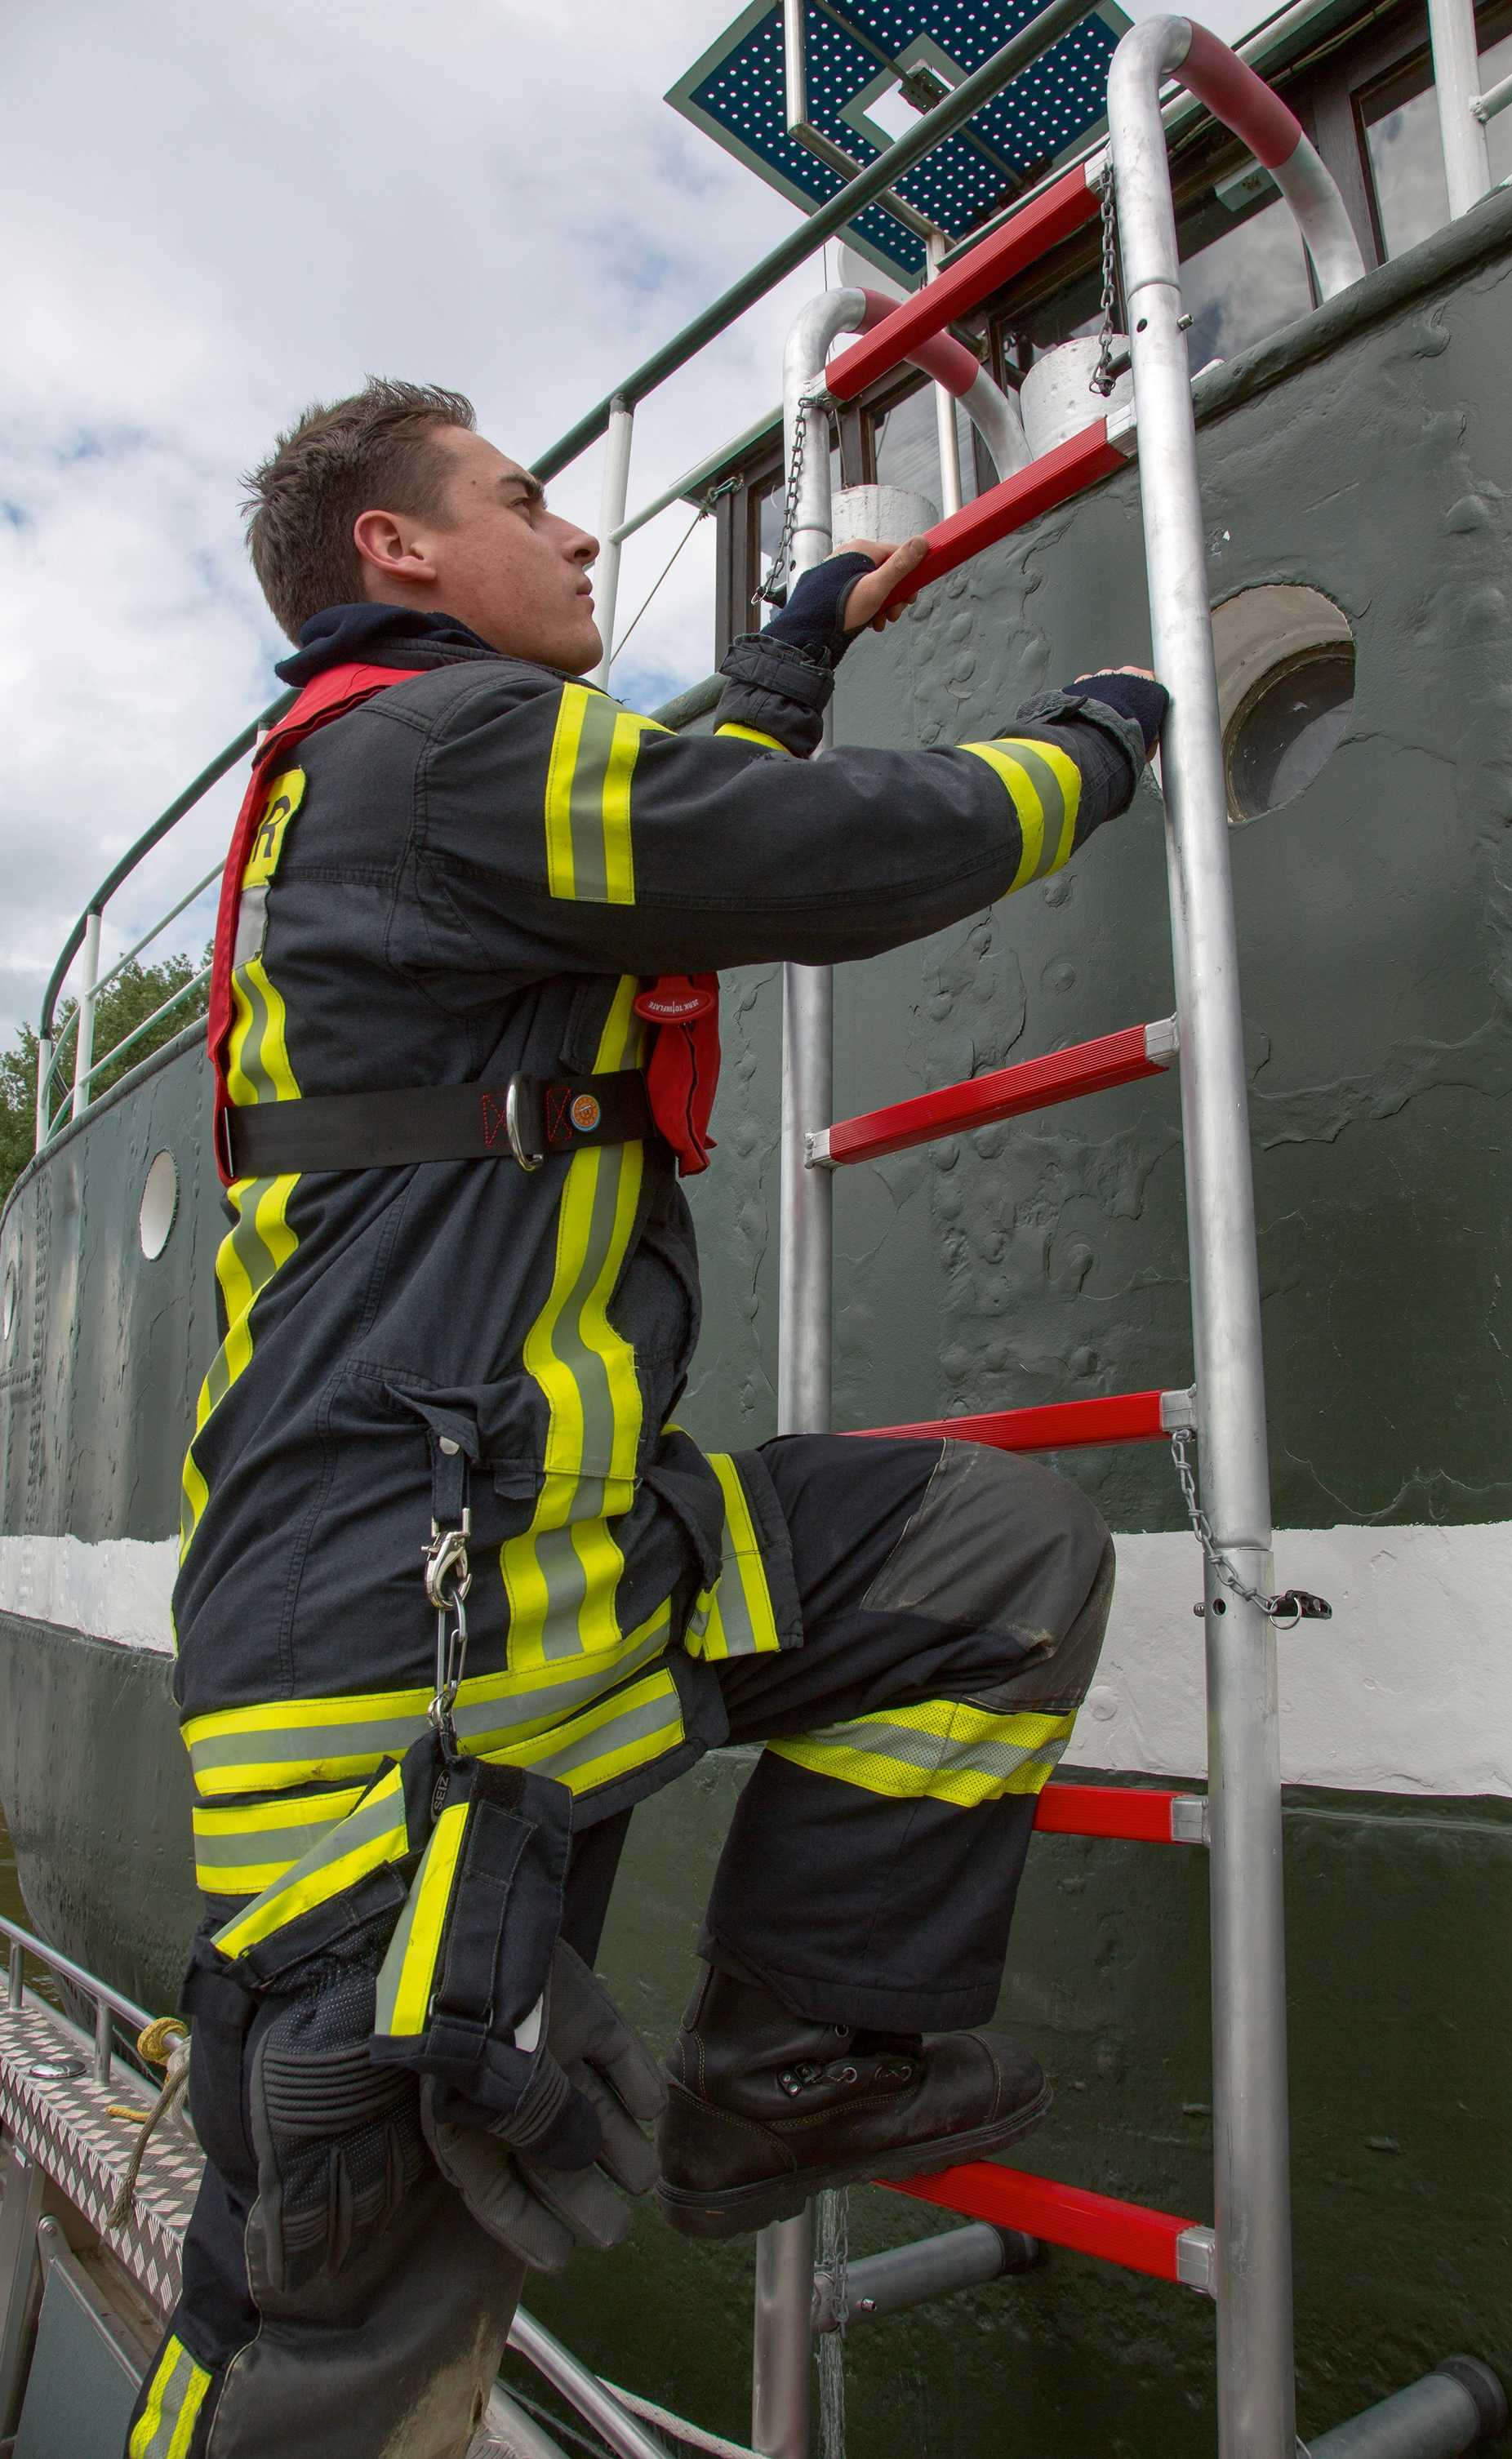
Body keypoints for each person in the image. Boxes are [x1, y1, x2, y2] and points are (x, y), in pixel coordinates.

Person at [129, 378, 1167, 2459]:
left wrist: (797, 643)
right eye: (528, 501)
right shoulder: (438, 754)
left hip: (562, 1566)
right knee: (341, 2346)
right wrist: (1104, 736)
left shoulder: (441, 776)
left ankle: (794, 2061)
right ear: (396, 553)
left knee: (986, 1551)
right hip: (392, 1676)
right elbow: (807, 849)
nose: (584, 534)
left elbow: (662, 799)